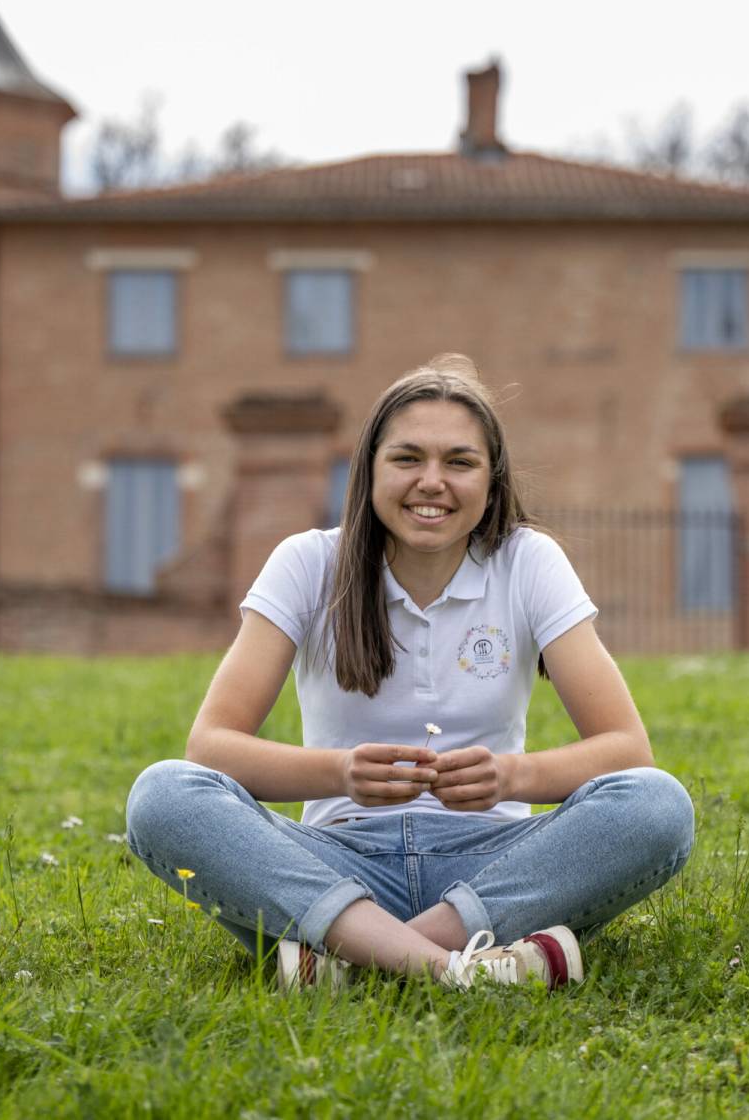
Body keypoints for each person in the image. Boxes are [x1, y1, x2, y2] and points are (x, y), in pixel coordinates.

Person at [125, 355, 695, 989]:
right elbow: (212, 747)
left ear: (492, 479)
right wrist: (340, 772)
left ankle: (356, 961)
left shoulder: (528, 561)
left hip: (490, 869)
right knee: (163, 795)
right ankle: (463, 970)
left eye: (459, 462)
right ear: (368, 470)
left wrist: (513, 775)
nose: (432, 482)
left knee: (657, 804)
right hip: (338, 861)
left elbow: (628, 751)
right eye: (407, 459)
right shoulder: (308, 562)